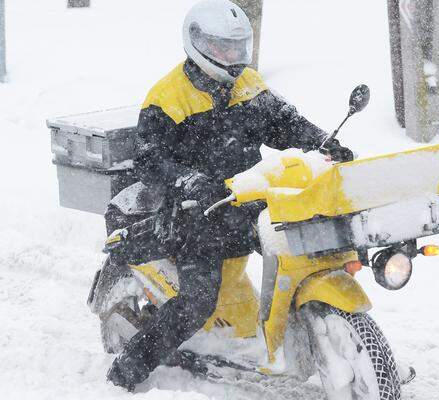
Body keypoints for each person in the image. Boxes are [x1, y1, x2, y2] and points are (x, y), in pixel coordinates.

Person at [106, 0, 353, 391]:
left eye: (238, 47)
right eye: (223, 48)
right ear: (198, 44)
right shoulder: (167, 98)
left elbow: (286, 122)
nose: (233, 57)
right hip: (194, 216)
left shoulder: (249, 84)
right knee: (198, 302)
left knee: (303, 248)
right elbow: (150, 161)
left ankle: (322, 335)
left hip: (247, 200)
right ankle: (127, 370)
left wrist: (323, 142)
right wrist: (189, 181)